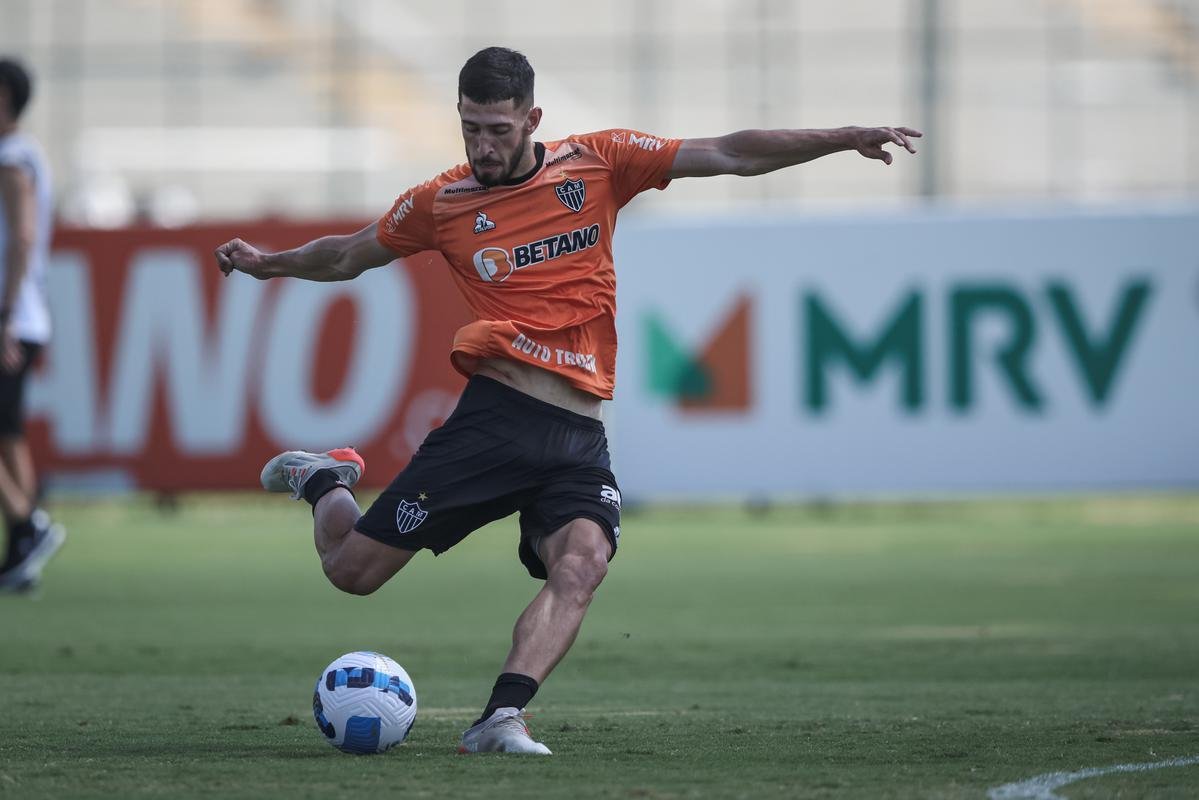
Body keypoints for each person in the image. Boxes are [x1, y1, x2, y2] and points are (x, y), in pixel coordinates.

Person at [215, 46, 919, 754]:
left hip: (578, 437)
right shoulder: (443, 203)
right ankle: (325, 481)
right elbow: (347, 254)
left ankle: (499, 719)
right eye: (470, 128)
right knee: (352, 573)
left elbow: (731, 153)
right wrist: (269, 264)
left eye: (497, 128)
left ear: (532, 119)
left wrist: (841, 138)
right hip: (495, 423)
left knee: (582, 563)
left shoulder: (600, 162)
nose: (482, 145)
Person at [0, 57, 62, 593]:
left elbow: (20, 237)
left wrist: (3, 315)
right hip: (28, 312)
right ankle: (24, 549)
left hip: (10, 314)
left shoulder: (10, 157)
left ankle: (26, 526)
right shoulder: (30, 152)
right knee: (9, 432)